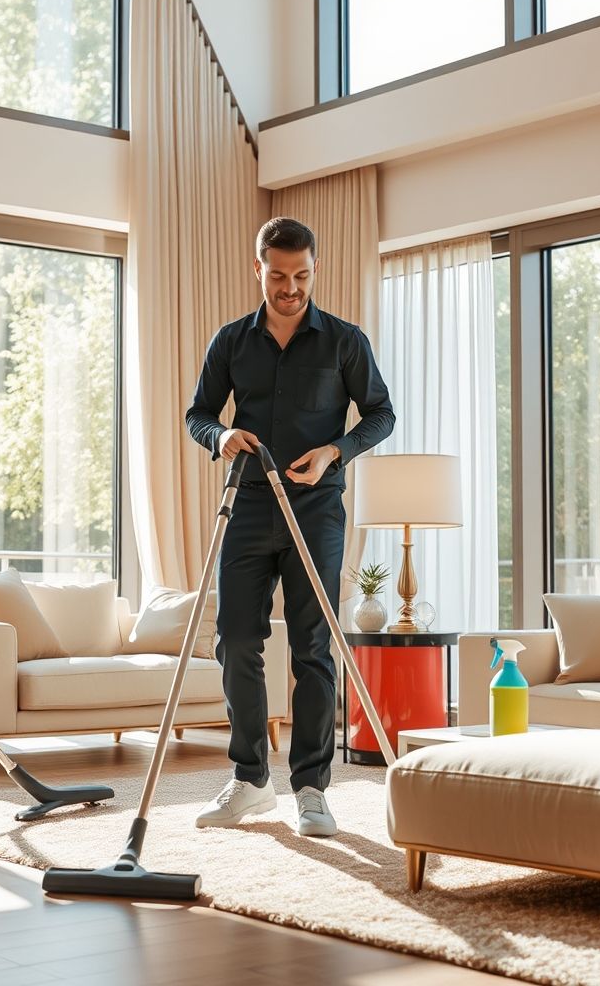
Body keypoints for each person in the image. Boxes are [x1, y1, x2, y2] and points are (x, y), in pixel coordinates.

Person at [184, 217, 395, 837]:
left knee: (311, 645)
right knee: (236, 640)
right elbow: (199, 414)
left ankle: (310, 789)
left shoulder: (344, 342)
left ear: (314, 270)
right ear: (259, 270)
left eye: (301, 275)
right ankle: (250, 780)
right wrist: (221, 436)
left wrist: (337, 450)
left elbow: (381, 413)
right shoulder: (231, 342)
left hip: (316, 510)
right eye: (278, 275)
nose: (290, 287)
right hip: (248, 505)